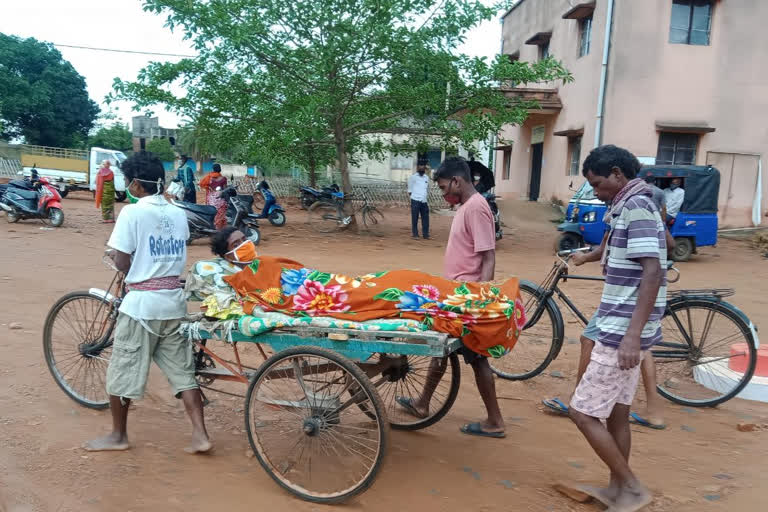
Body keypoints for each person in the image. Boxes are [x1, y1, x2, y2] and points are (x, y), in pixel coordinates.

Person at [84, 151, 211, 455]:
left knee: (121, 371)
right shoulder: (178, 212)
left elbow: (123, 259)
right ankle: (200, 435)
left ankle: (118, 435)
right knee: (183, 373)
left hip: (142, 308)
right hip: (173, 305)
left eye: (127, 181)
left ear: (136, 185)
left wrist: (120, 262)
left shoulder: (132, 212)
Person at [567, 145, 666, 511]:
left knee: (582, 412)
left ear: (617, 175)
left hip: (620, 329)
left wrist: (631, 336)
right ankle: (618, 488)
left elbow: (653, 271)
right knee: (617, 412)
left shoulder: (637, 206)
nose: (595, 191)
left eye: (597, 183)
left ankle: (632, 487)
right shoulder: (633, 204)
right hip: (623, 325)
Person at [396, 156, 505, 438]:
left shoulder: (477, 208)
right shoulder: (466, 207)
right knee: (440, 346)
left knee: (478, 360)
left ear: (457, 181)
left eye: (444, 188)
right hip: (457, 295)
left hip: (467, 298)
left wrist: (479, 300)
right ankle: (422, 403)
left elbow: (488, 256)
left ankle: (495, 421)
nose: (443, 194)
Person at [199, 163, 229, 229]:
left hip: (211, 199)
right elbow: (225, 189)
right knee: (221, 213)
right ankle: (220, 226)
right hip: (220, 199)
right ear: (220, 169)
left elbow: (201, 183)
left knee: (212, 212)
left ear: (213, 169)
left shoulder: (209, 177)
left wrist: (209, 188)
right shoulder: (223, 178)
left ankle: (213, 225)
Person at [408, 158, 430, 239]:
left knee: (425, 218)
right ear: (417, 167)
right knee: (415, 218)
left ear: (424, 168)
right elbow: (410, 190)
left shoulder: (426, 178)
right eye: (420, 166)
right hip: (415, 200)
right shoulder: (413, 177)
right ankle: (415, 234)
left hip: (424, 201)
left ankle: (426, 234)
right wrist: (414, 198)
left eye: (423, 166)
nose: (422, 167)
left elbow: (427, 188)